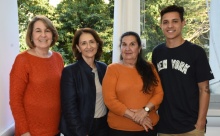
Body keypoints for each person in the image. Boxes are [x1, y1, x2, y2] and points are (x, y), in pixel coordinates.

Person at [152, 5, 215, 136]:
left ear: (183, 23)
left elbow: (204, 89)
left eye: (175, 21)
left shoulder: (196, 52)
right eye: (166, 22)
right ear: (161, 25)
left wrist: (201, 122)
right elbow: (154, 88)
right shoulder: (157, 52)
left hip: (191, 127)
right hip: (164, 126)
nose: (170, 26)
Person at [9, 15, 64, 136]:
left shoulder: (58, 58)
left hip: (56, 129)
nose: (43, 35)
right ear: (31, 35)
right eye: (38, 31)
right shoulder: (23, 60)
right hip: (31, 132)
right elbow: (15, 100)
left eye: (47, 30)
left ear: (52, 34)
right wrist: (24, 131)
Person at [103, 31, 164, 136]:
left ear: (139, 48)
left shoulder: (150, 67)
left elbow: (159, 94)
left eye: (132, 44)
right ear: (120, 48)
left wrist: (145, 111)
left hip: (148, 128)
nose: (127, 48)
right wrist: (137, 117)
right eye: (124, 44)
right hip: (119, 130)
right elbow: (110, 100)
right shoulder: (112, 69)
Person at [59, 28, 109, 136]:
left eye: (92, 42)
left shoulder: (103, 68)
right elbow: (69, 109)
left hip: (103, 127)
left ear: (97, 44)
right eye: (84, 43)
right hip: (81, 128)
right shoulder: (70, 72)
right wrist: (81, 133)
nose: (89, 46)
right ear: (78, 47)